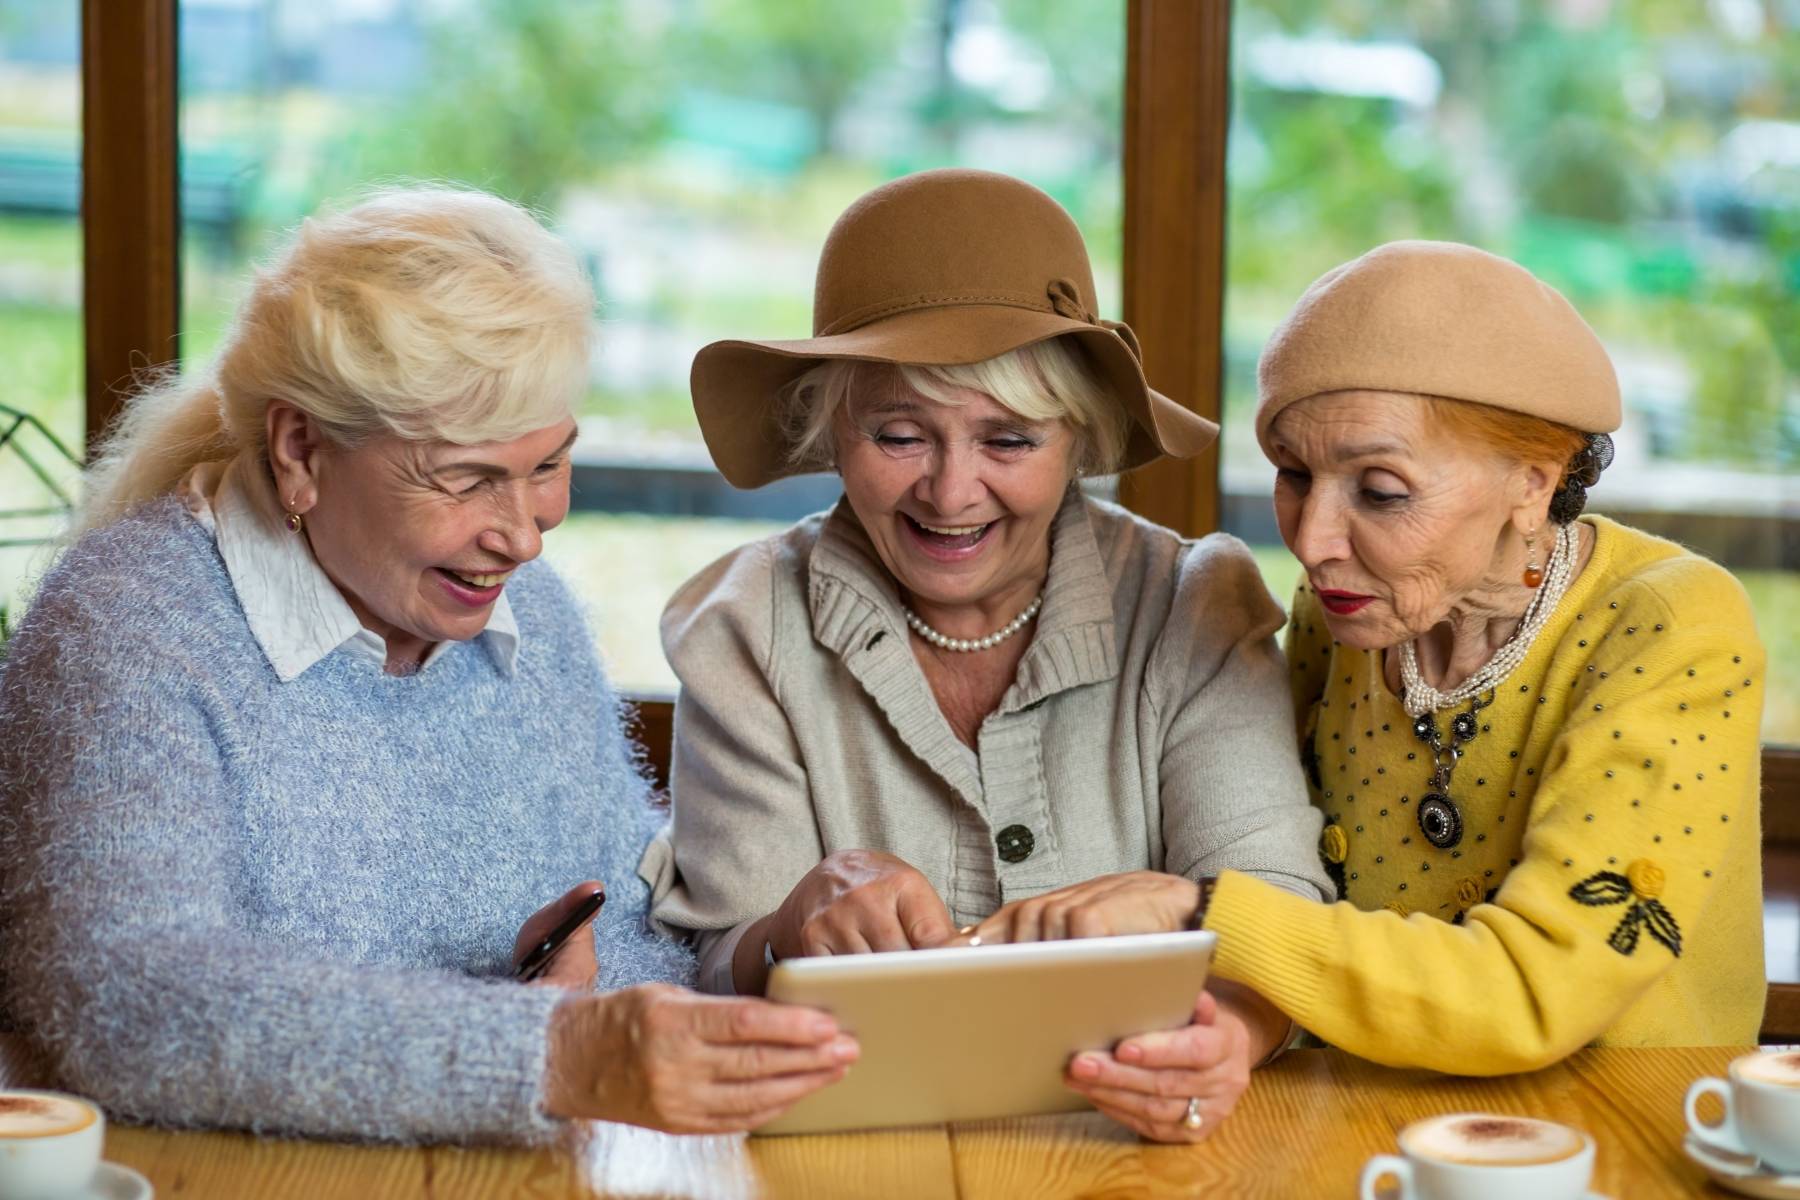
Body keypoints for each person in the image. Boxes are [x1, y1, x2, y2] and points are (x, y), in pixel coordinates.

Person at [0, 187, 855, 1143]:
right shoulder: (128, 627)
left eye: (547, 466)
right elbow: (129, 1001)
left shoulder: (525, 616)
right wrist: (549, 1049)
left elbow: (628, 931)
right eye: (468, 479)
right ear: (301, 451)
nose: (524, 537)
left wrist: (615, 974)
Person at [641, 168, 1332, 1143]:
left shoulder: (1193, 607)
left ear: (1080, 439)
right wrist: (787, 928)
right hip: (848, 1156)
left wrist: (1234, 1037)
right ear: (829, 428)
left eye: (1008, 440)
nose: (952, 492)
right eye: (899, 434)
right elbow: (706, 967)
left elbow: (1279, 907)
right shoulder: (746, 625)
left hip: (1137, 1155)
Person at [959, 240, 1766, 1072]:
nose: (1312, 541)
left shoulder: (1670, 626)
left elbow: (1534, 991)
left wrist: (1201, 910)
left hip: (1622, 1133)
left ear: (1532, 481)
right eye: (1293, 474)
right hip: (1359, 1115)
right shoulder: (1343, 614)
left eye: (1380, 492)